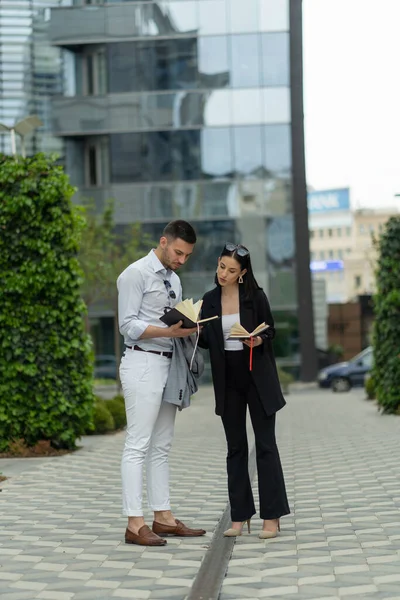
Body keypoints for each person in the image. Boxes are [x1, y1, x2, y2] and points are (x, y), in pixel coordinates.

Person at [117, 220, 206, 547]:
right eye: (178, 252)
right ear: (163, 241)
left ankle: (163, 517)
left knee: (162, 445)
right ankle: (134, 523)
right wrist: (169, 332)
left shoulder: (175, 280)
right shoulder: (134, 274)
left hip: (170, 366)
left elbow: (172, 322)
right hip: (142, 362)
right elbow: (127, 325)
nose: (182, 260)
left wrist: (189, 327)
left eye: (187, 255)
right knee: (137, 444)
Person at [198, 242, 290, 539]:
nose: (223, 273)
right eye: (221, 266)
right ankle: (239, 517)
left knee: (265, 445)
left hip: (257, 376)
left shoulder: (255, 297)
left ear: (242, 273)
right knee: (235, 448)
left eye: (231, 270)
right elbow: (207, 342)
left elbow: (271, 330)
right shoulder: (209, 301)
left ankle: (272, 518)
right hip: (228, 380)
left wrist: (259, 340)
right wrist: (192, 328)